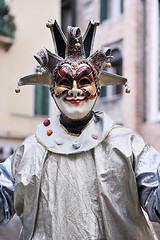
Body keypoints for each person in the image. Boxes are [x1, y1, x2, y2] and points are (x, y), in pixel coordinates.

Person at [0, 19, 160, 240]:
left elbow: (156, 200)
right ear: (52, 90)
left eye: (84, 81)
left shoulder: (129, 145)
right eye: (65, 82)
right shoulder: (29, 151)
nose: (75, 91)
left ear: (97, 87)